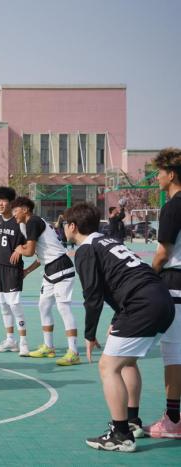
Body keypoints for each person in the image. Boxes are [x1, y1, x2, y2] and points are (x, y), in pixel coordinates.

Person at [64, 202, 177, 452]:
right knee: (127, 361)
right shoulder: (109, 241)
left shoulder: (86, 249)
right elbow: (125, 280)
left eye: (64, 225)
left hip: (141, 305)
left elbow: (93, 296)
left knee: (108, 366)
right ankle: (132, 421)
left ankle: (121, 434)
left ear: (72, 226)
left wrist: (89, 335)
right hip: (161, 300)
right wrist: (118, 318)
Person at [10, 197, 80, 366]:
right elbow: (40, 256)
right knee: (44, 306)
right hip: (50, 269)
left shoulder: (33, 222)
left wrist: (19, 249)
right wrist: (27, 271)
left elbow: (29, 251)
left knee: (63, 308)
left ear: (25, 210)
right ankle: (49, 347)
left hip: (62, 268)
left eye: (16, 210)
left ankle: (74, 352)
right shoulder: (30, 224)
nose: (14, 214)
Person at [147, 147, 181, 438]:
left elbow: (162, 253)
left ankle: (172, 419)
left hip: (175, 284)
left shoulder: (173, 207)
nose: (156, 177)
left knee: (173, 352)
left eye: (159, 173)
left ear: (171, 175)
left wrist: (147, 277)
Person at [0, 186, 30, 356]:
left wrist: (20, 250)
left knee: (15, 305)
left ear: (11, 203)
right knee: (4, 306)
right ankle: (10, 340)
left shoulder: (19, 222)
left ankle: (23, 342)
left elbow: (30, 244)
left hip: (13, 269)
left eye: (3, 201)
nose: (0, 204)